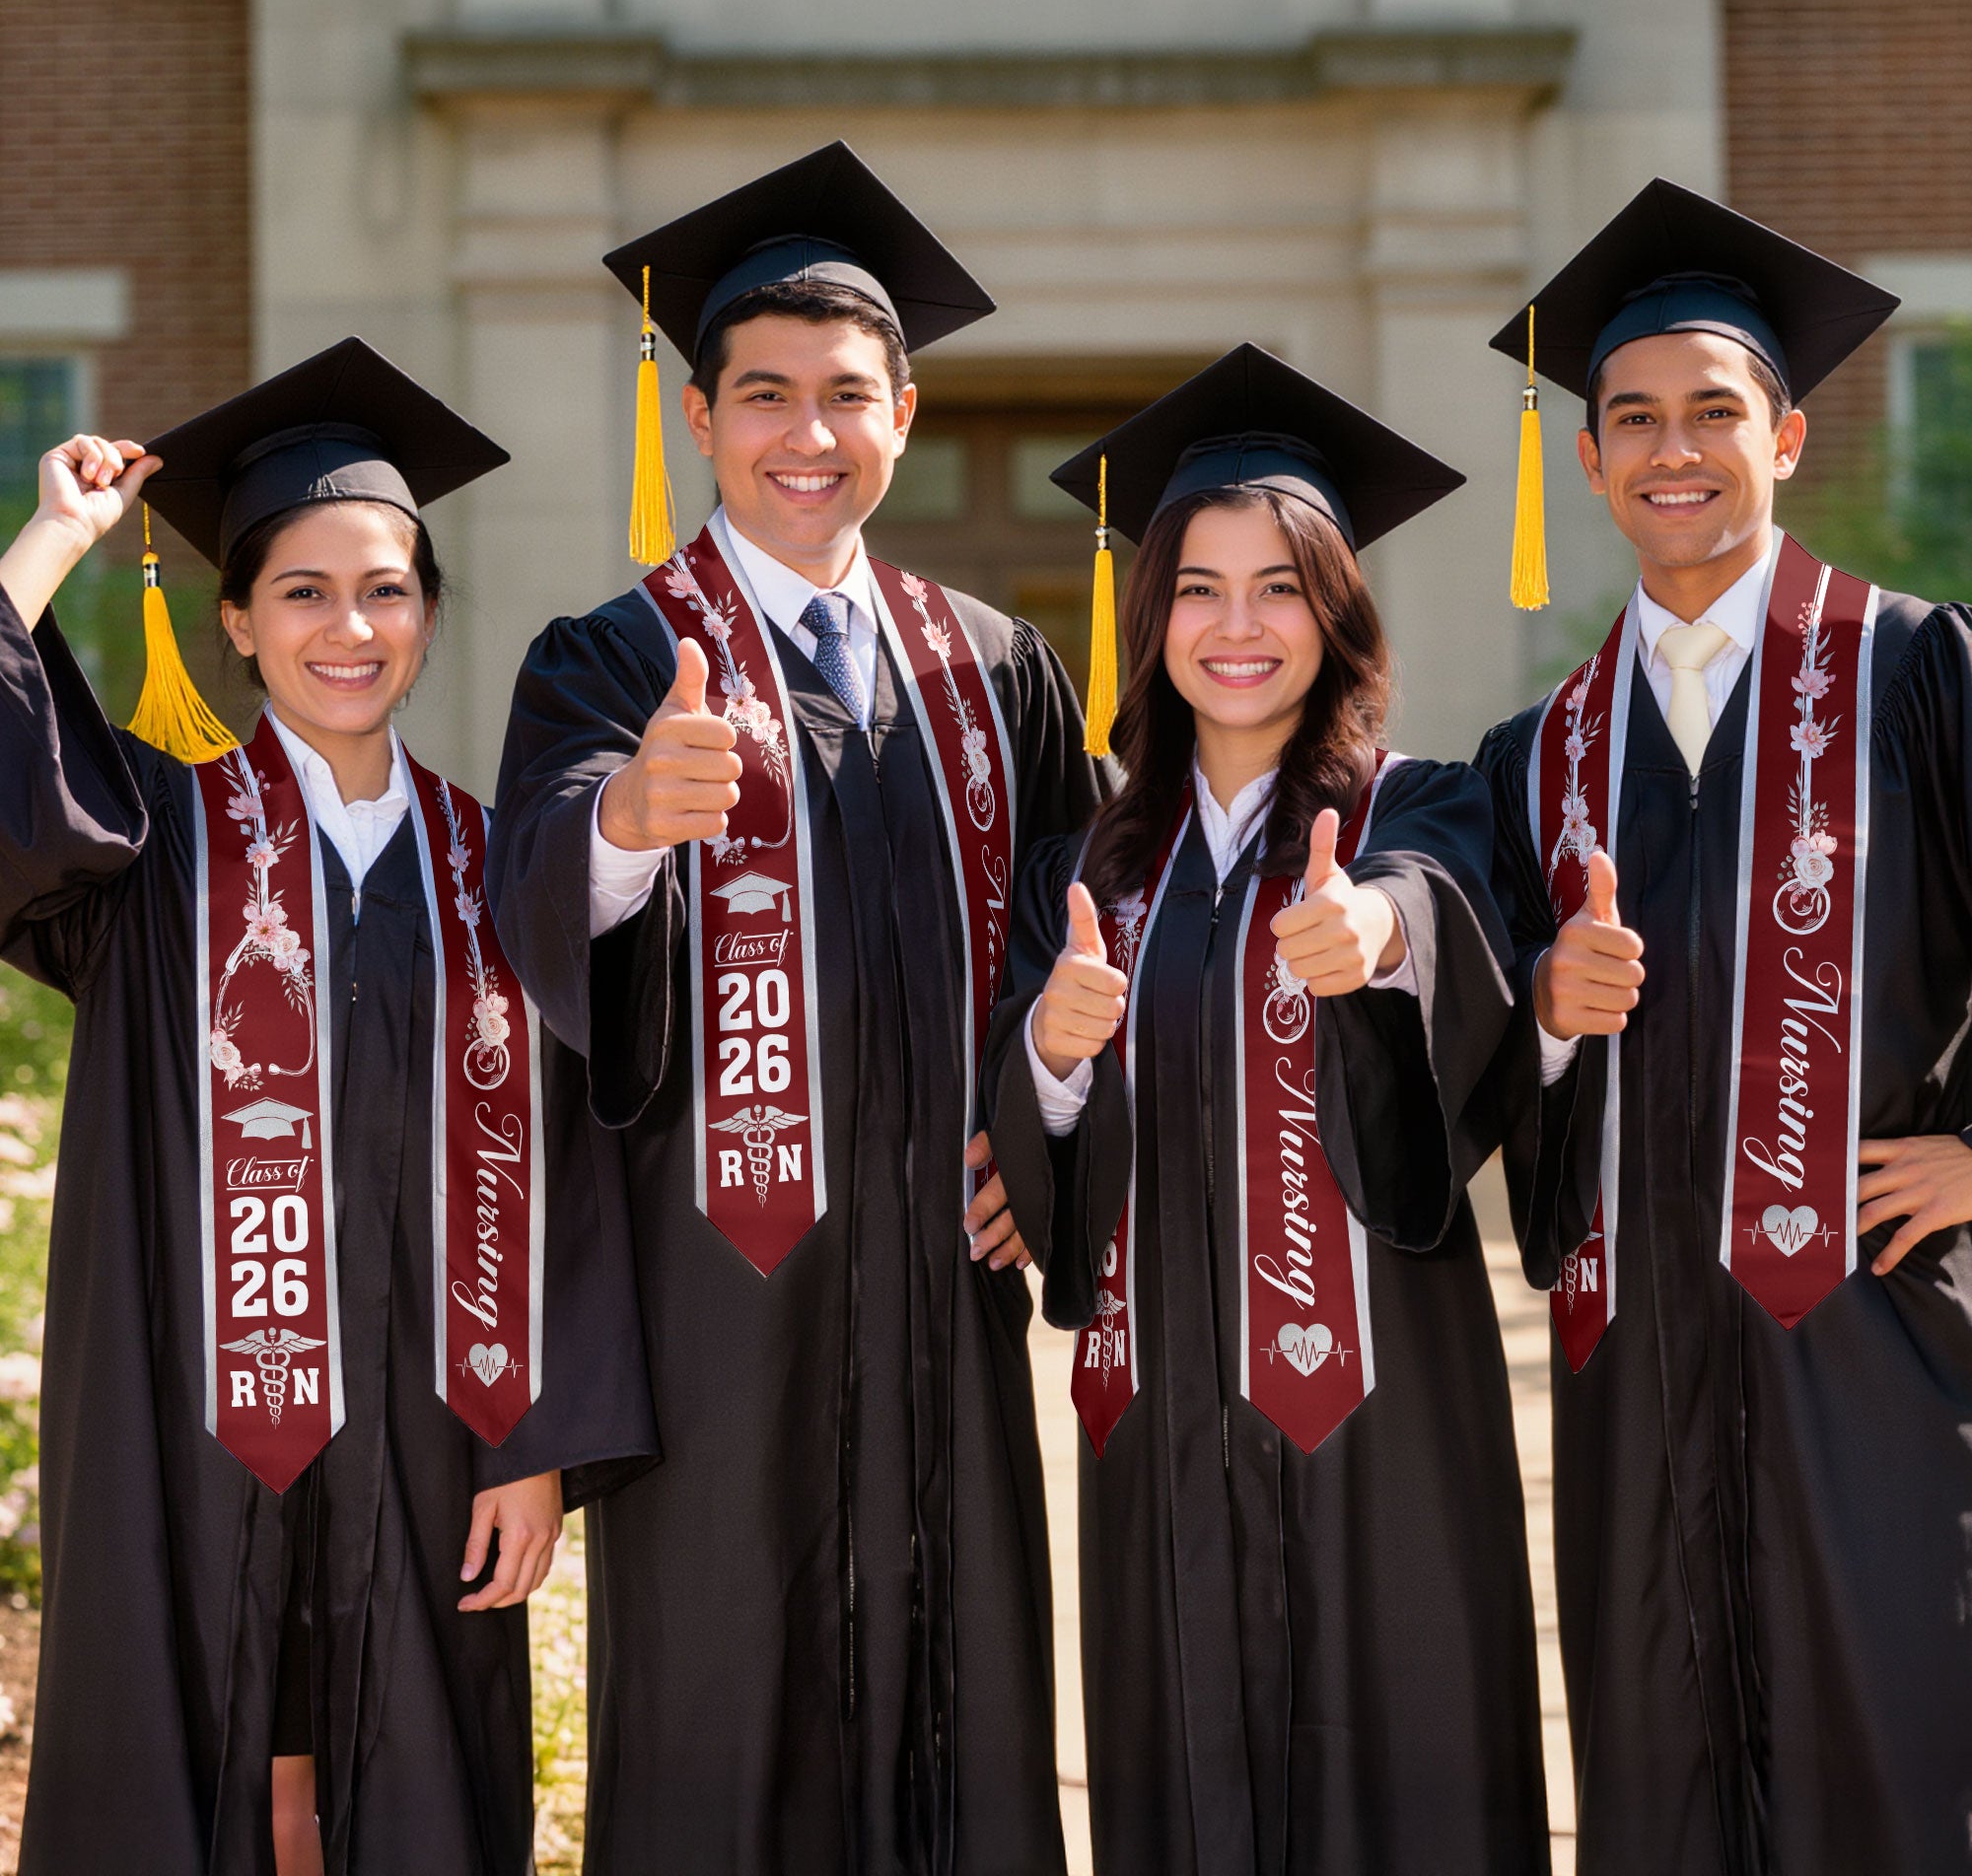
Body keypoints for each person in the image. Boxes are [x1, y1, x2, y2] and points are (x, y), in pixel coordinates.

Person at [487, 142, 1105, 1875]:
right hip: (719, 1308)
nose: (806, 434)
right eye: (765, 396)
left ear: (904, 412)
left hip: (941, 1293)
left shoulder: (995, 668)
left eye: (848, 395)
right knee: (723, 1722)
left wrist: (1046, 1128)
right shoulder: (611, 658)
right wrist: (623, 822)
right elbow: (532, 894)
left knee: (963, 1705)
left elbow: (1098, 935)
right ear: (700, 418)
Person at [0, 338, 656, 1876]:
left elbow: (574, 1163)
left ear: (428, 614)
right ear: (235, 620)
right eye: (301, 591)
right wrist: (51, 542)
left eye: (386, 589)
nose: (347, 627)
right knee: (195, 1748)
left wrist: (539, 1442)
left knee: (415, 1777)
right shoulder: (149, 845)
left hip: (439, 1433)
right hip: (188, 1415)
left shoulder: (503, 865)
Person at [980, 344, 1549, 1875]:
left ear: (1338, 611)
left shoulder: (1417, 809)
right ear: (1149, 614)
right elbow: (1034, 1146)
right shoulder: (1085, 870)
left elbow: (1449, 917)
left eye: (1282, 586)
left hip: (1384, 1418)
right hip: (1156, 1412)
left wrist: (1378, 937)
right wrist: (1049, 1046)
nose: (1240, 627)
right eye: (1200, 588)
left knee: (1405, 1777)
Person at [1476, 179, 1972, 1875]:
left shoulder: (1917, 673)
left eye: (1712, 412)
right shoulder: (1537, 757)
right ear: (1593, 458)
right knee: (1659, 1774)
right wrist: (1540, 1015)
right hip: (1635, 1372)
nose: (1671, 449)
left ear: (1789, 435)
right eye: (1632, 419)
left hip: (1876, 1341)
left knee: (1895, 1755)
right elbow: (1468, 1069)